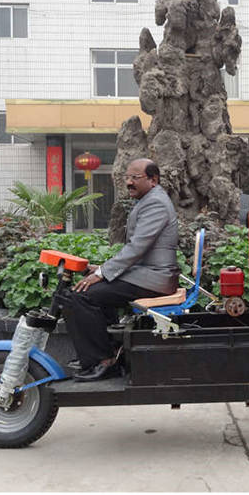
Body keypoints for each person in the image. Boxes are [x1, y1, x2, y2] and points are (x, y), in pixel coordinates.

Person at [61, 158, 179, 382]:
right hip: (146, 273)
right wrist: (102, 269)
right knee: (92, 294)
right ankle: (107, 354)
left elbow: (137, 247)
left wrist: (101, 273)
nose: (129, 182)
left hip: (154, 278)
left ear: (153, 180)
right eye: (127, 177)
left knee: (80, 297)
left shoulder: (155, 204)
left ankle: (103, 361)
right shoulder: (149, 199)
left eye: (135, 178)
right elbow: (136, 249)